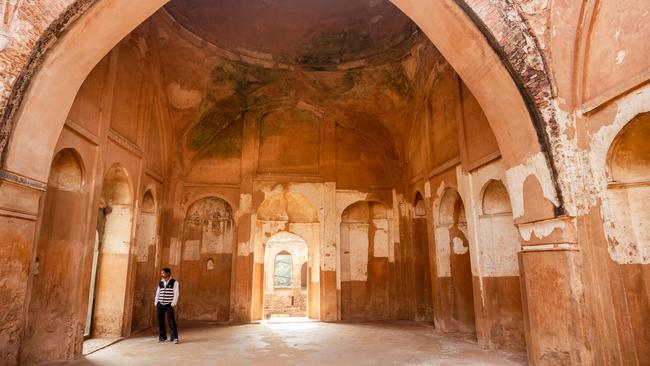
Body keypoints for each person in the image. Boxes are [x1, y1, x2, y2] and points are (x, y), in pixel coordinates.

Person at [154, 267, 179, 343]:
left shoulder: (174, 282)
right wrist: (156, 302)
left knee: (171, 321)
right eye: (161, 273)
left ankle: (174, 338)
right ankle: (162, 337)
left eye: (163, 273)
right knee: (160, 321)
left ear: (168, 273)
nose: (162, 274)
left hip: (169, 304)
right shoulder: (161, 282)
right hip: (160, 304)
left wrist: (173, 303)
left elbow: (176, 293)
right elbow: (157, 293)